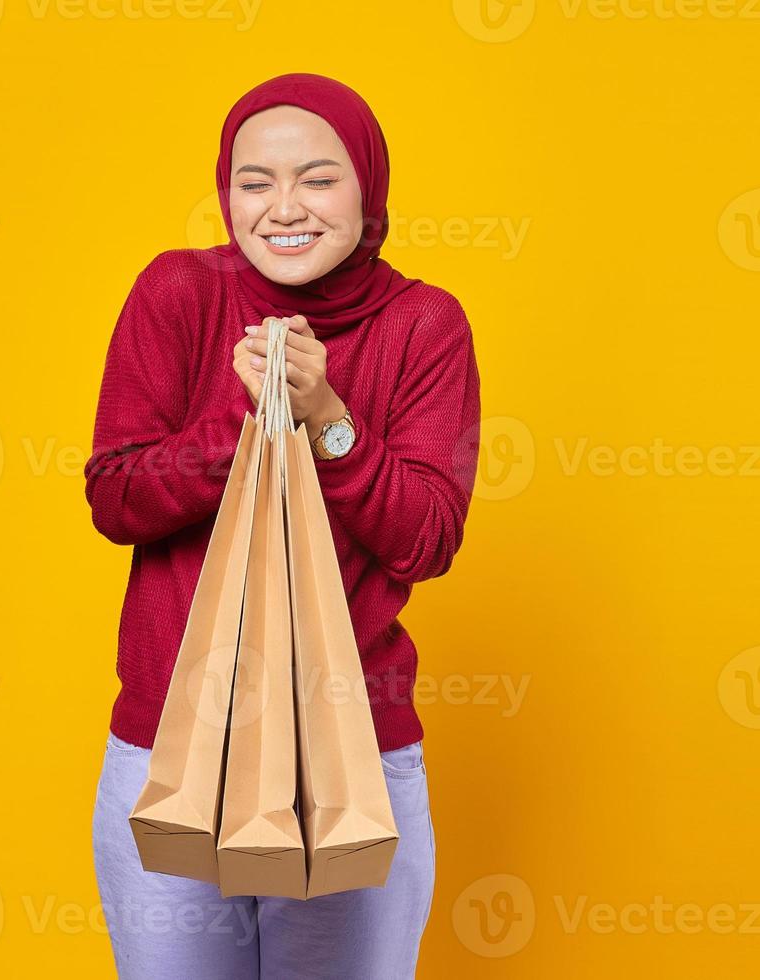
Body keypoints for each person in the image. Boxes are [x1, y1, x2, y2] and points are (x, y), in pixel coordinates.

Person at [83, 72, 481, 980]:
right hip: (171, 747)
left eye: (318, 178)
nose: (283, 207)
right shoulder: (177, 293)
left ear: (368, 188)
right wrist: (239, 412)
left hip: (352, 750)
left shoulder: (424, 324)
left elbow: (426, 538)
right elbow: (117, 498)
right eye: (254, 182)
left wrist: (325, 412)